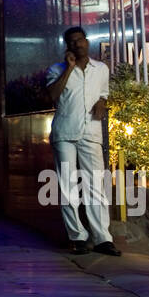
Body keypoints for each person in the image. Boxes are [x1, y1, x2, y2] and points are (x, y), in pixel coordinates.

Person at [46, 26, 120, 256]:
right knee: (68, 187)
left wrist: (103, 102)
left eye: (80, 40)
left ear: (87, 42)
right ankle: (77, 237)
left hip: (91, 132)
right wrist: (69, 69)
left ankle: (102, 239)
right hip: (65, 133)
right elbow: (52, 96)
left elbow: (104, 93)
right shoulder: (56, 70)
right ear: (67, 46)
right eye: (72, 42)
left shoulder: (101, 69)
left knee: (96, 185)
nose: (77, 44)